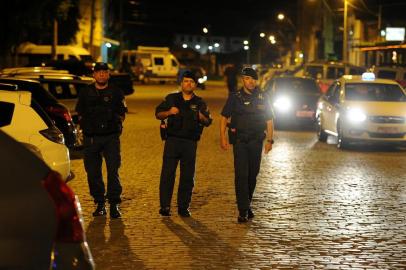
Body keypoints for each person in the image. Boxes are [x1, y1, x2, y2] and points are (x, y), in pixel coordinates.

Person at [220, 67, 274, 223]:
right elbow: (224, 118)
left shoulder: (263, 97)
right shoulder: (234, 97)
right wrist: (222, 137)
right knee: (241, 175)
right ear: (243, 80)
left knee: (252, 175)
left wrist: (270, 140)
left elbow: (269, 120)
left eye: (254, 79)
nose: (251, 82)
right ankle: (243, 210)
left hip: (256, 141)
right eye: (248, 79)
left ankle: (247, 204)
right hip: (240, 141)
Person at [155, 70, 212, 217]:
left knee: (187, 176)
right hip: (172, 141)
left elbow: (208, 121)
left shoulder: (200, 102)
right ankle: (165, 206)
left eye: (192, 82)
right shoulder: (171, 98)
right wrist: (169, 112)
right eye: (186, 81)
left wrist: (200, 116)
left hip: (190, 143)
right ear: (181, 83)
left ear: (195, 85)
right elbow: (158, 114)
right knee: (167, 174)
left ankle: (183, 207)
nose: (189, 84)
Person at [75, 62, 127, 219]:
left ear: (108, 74)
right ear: (94, 75)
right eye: (99, 72)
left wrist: (114, 122)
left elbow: (122, 114)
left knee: (113, 171)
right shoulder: (85, 92)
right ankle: (99, 203)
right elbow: (80, 113)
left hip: (110, 137)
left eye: (105, 72)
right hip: (91, 138)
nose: (102, 75)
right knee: (93, 172)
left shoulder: (116, 92)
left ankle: (114, 204)